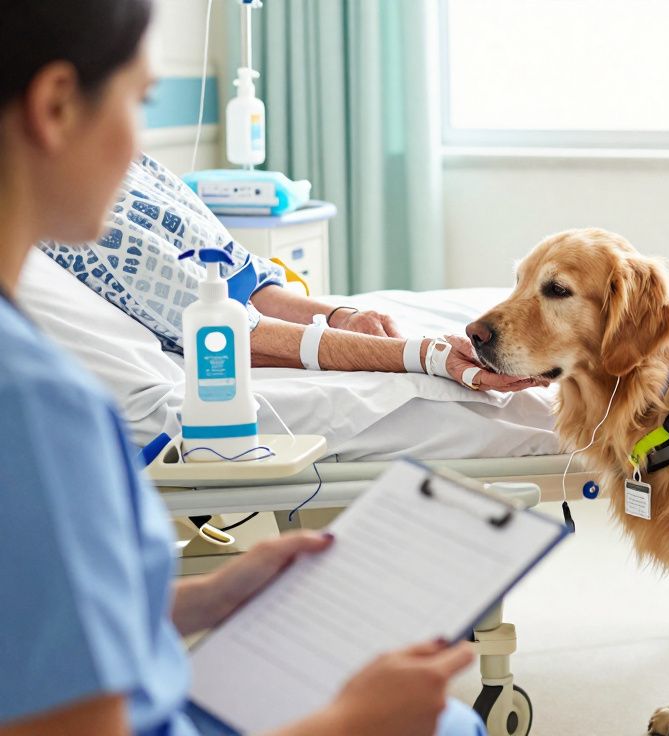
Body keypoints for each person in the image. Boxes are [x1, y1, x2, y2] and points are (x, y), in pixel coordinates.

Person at [0, 2, 486, 734]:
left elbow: (32, 618)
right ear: (56, 107)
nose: (140, 146)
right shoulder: (38, 409)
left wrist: (209, 597)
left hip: (146, 684)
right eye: (137, 100)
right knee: (445, 723)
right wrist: (353, 721)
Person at [41, 149, 541, 392]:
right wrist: (426, 356)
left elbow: (242, 282)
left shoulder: (124, 162)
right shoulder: (70, 213)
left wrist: (342, 314)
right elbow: (237, 333)